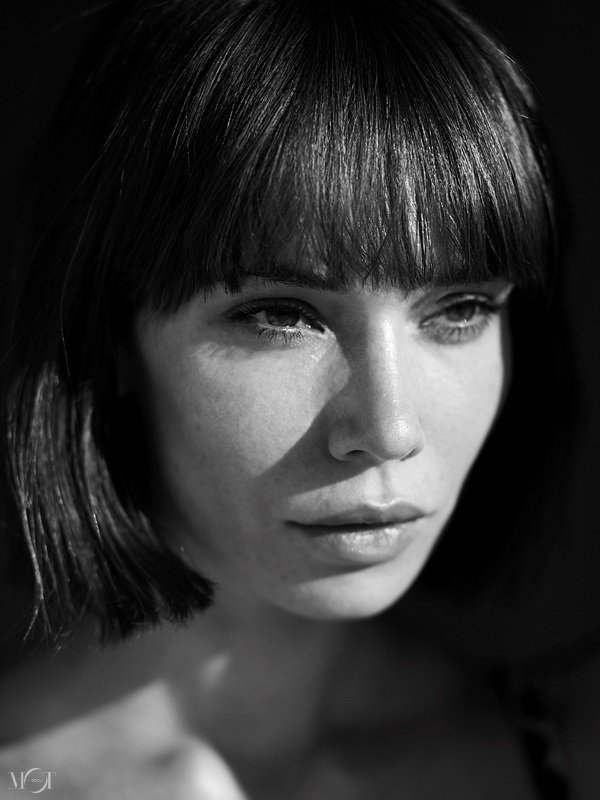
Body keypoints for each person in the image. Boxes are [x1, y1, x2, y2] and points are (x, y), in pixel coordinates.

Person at [0, 0, 560, 796]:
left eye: (460, 309)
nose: (390, 429)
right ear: (112, 336)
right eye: (282, 316)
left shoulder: (570, 753)